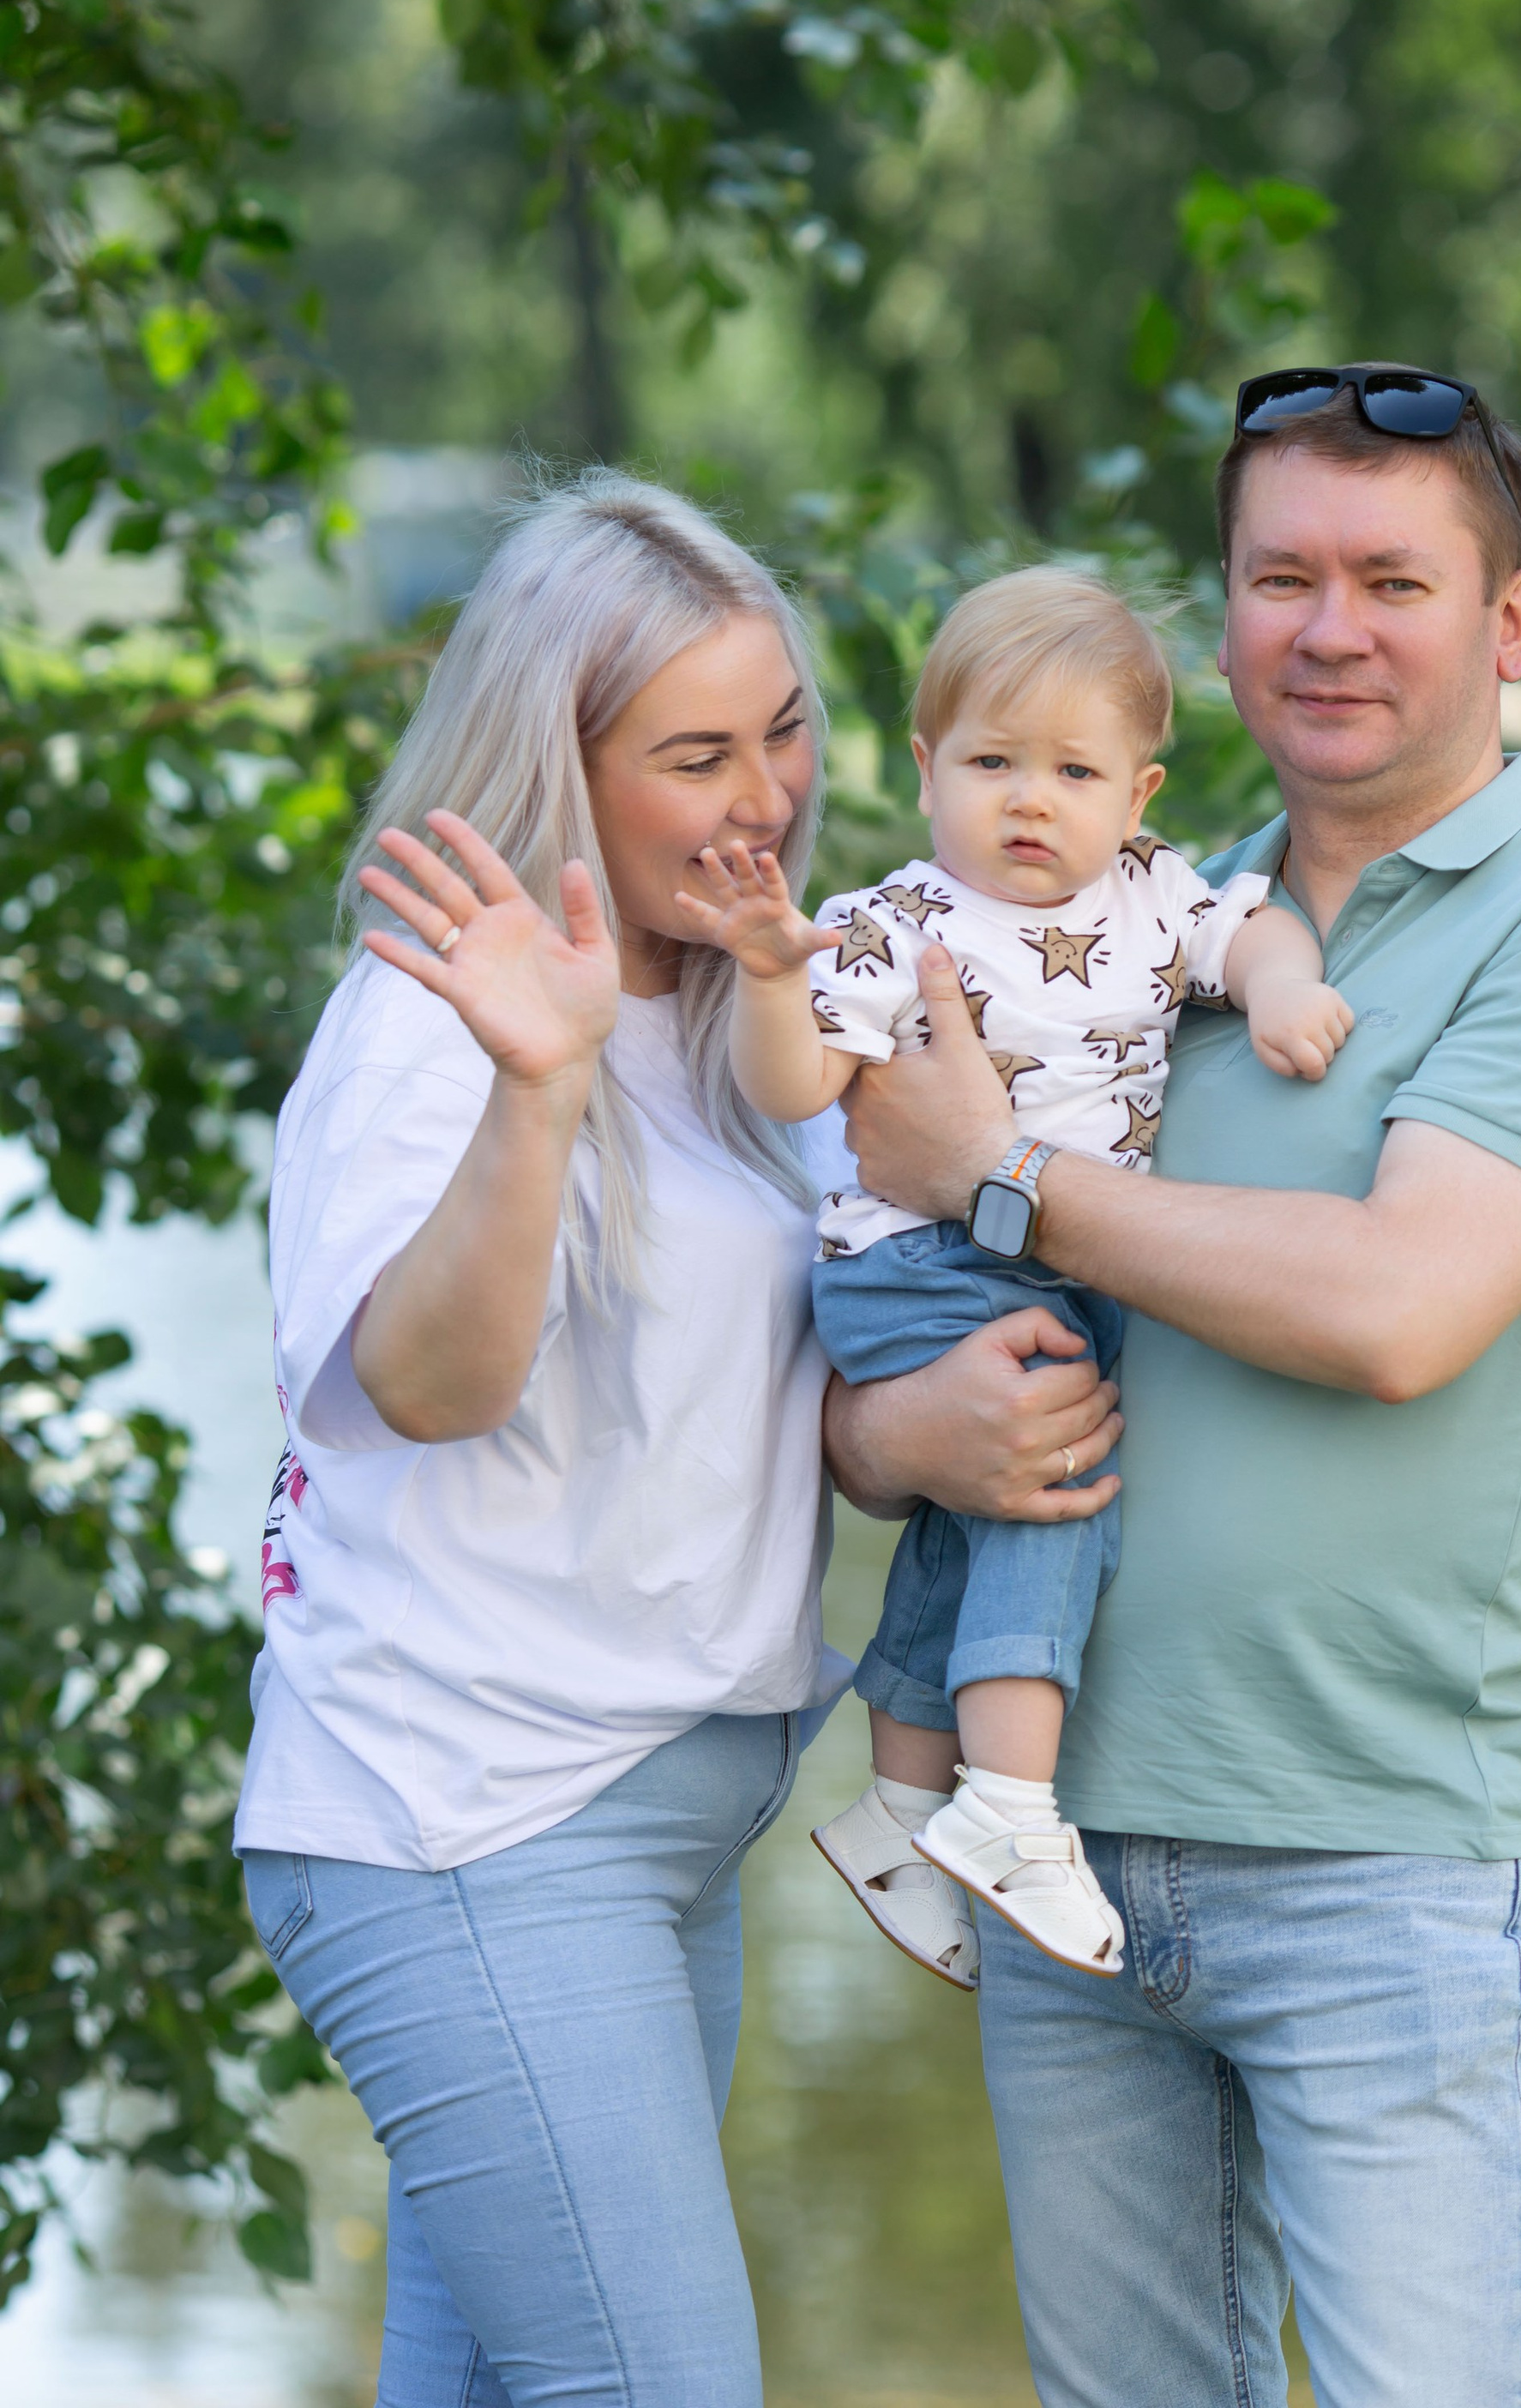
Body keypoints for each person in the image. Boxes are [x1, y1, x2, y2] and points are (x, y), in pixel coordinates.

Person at [826, 365, 1521, 2408]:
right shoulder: (1122, 916)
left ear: (1509, 622)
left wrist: (1003, 1171)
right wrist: (886, 1435)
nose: (1328, 629)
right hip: (1051, 1845)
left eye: (1391, 580)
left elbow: (1399, 1304)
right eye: (1279, 577)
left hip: (1373, 1866)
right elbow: (869, 1294)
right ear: (1221, 620)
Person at [237, 473, 857, 2408]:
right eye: (694, 754)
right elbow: (429, 1382)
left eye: (781, 729)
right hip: (471, 1822)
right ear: (560, 766)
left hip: (659, 1814)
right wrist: (538, 1090)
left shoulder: (755, 1007)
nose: (761, 793)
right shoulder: (448, 1021)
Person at [678, 564, 1350, 1988]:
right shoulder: (892, 921)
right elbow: (798, 1083)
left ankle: (901, 1806)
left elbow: (1257, 925)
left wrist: (1282, 989)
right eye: (992, 763)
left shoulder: (1157, 896)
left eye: (1071, 770)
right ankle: (1013, 1806)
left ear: (1140, 791)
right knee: (1061, 1472)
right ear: (927, 773)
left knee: (978, 1517)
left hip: (1035, 1251)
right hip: (920, 1263)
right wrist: (764, 977)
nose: (1030, 800)